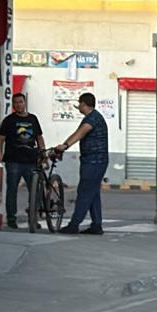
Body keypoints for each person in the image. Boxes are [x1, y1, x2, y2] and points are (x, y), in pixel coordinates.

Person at [53, 92, 108, 235]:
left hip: (94, 162)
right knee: (93, 193)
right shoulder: (95, 117)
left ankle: (74, 224)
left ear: (83, 104)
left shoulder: (92, 118)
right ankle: (96, 225)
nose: (78, 106)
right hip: (95, 161)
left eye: (79, 103)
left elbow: (80, 133)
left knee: (84, 192)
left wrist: (65, 146)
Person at [0, 93, 45, 229]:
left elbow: (39, 137)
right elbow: (1, 138)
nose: (18, 104)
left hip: (31, 160)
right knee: (12, 190)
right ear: (13, 105)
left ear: (25, 103)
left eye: (21, 102)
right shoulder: (9, 120)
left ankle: (33, 218)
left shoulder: (33, 119)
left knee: (35, 191)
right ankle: (11, 218)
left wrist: (43, 152)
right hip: (13, 160)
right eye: (16, 102)